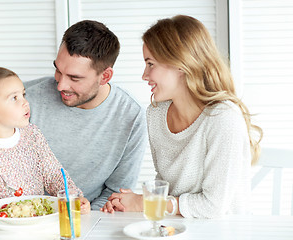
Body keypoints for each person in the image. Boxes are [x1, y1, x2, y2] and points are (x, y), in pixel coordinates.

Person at [0, 20, 148, 214]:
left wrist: (77, 215)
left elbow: (115, 195)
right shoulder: (26, 98)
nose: (60, 85)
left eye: (74, 78)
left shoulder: (131, 116)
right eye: (58, 71)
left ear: (105, 76)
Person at [101, 15, 263, 218]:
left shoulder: (223, 118)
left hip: (223, 231)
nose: (144, 75)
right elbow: (167, 188)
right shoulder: (156, 113)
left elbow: (213, 206)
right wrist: (128, 202)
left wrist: (145, 203)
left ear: (180, 64)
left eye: (151, 64)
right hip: (179, 227)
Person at [0, 66, 90, 214]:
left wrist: (72, 197)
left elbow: (53, 174)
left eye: (23, 94)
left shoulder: (32, 134)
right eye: (14, 98)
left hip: (36, 221)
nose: (25, 103)